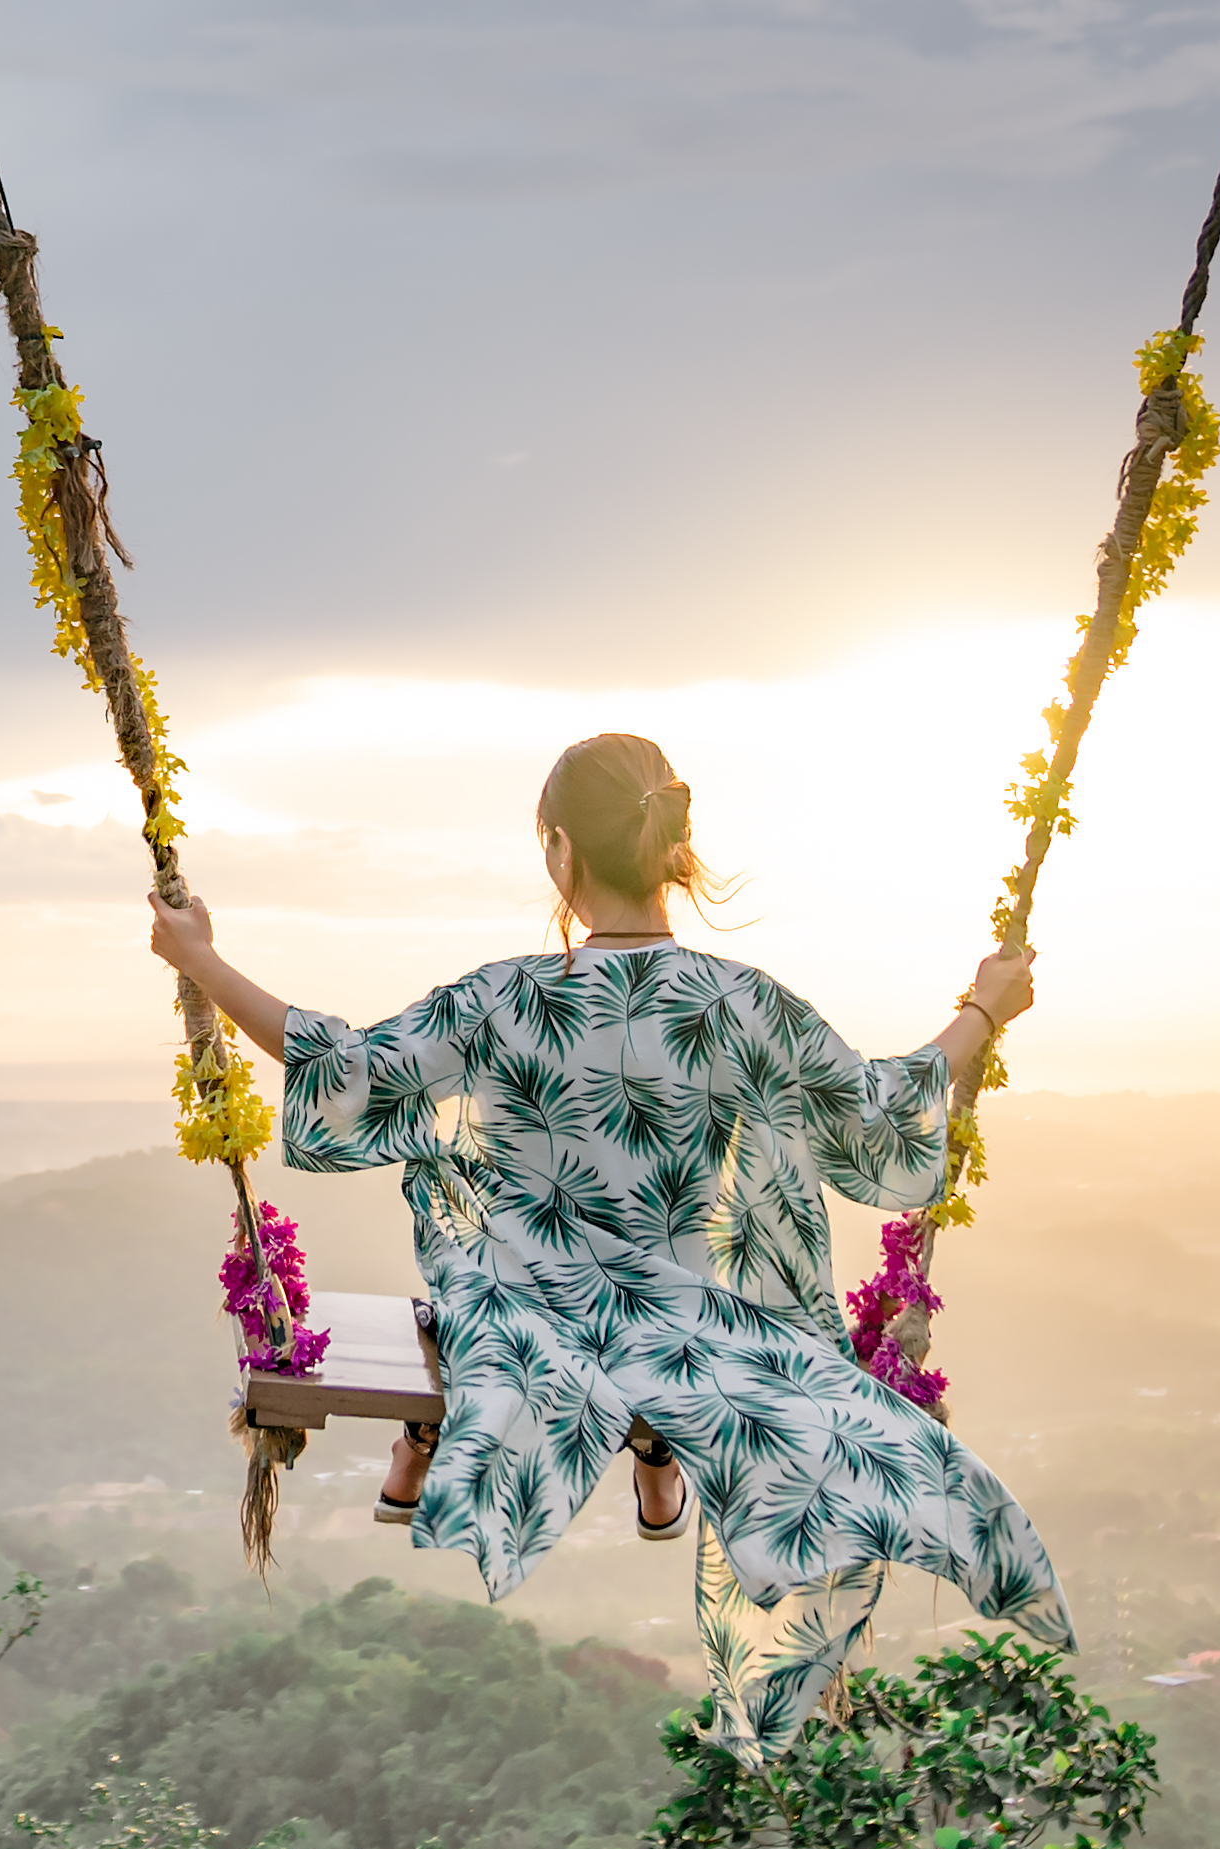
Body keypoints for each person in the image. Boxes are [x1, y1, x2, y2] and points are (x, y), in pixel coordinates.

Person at [148, 728, 1072, 1749]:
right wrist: (987, 1005)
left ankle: (473, 1428)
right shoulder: (742, 1003)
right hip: (694, 1318)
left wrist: (201, 957)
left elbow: (346, 1062)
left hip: (532, 1307)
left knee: (460, 1203)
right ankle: (656, 1456)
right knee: (688, 1305)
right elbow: (884, 1106)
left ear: (560, 853)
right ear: (671, 845)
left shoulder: (506, 997)